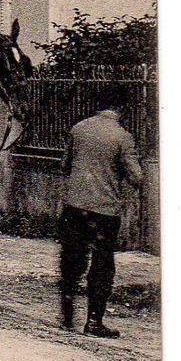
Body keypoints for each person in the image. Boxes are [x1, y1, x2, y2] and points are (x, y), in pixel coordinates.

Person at [59, 96, 144, 338]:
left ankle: (67, 316)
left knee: (71, 260)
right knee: (102, 265)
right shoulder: (122, 136)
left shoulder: (79, 128)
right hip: (104, 210)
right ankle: (94, 322)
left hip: (73, 206)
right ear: (121, 108)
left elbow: (64, 166)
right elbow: (136, 177)